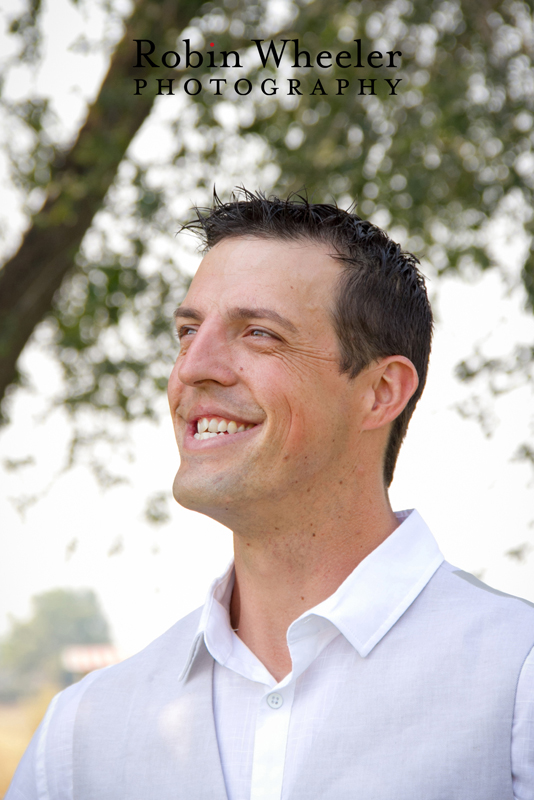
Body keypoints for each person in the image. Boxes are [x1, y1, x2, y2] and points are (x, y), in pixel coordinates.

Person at [7, 191, 534, 800]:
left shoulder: (517, 684)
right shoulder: (78, 739)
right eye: (187, 331)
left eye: (258, 333)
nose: (192, 368)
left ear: (381, 391)